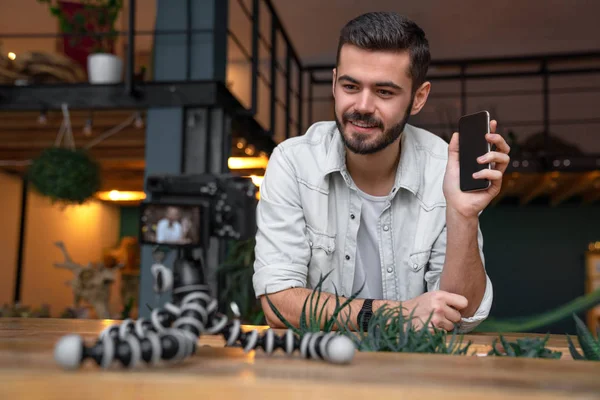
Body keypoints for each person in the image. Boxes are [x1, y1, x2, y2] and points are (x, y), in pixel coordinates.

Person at [252, 12, 510, 333]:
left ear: (418, 98)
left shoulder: (443, 167)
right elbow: (278, 303)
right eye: (350, 86)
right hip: (318, 372)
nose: (362, 105)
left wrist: (463, 215)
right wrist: (393, 314)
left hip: (413, 375)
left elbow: (461, 313)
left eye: (384, 92)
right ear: (334, 83)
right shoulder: (293, 162)